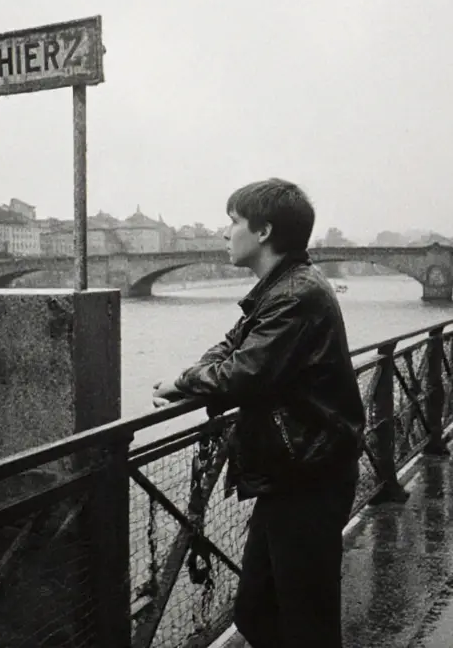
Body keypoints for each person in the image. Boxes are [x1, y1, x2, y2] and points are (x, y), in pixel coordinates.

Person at [152, 178, 365, 648]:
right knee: (256, 611)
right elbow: (233, 345)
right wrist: (196, 372)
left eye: (232, 221)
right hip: (293, 473)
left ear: (264, 231)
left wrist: (184, 383)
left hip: (310, 476)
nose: (223, 233)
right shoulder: (282, 287)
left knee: (306, 621)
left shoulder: (294, 294)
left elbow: (245, 372)